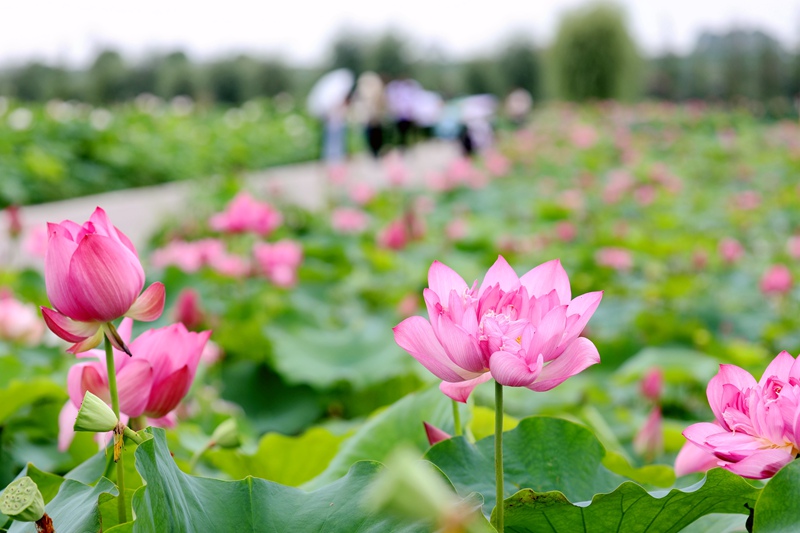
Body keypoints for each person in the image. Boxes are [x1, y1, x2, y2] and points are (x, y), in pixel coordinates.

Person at [351, 71, 386, 158]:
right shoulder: (360, 94)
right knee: (370, 137)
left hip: (376, 119)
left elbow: (382, 106)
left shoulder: (378, 93)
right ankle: (373, 153)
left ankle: (376, 152)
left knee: (377, 137)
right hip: (367, 120)